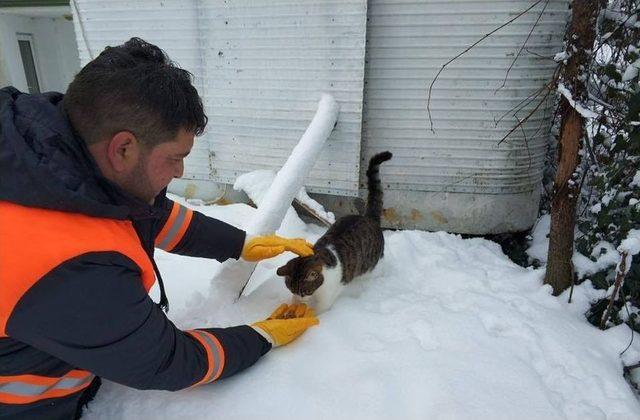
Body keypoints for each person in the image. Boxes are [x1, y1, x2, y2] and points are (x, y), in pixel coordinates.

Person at [0, 38, 319, 419]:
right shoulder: (67, 266)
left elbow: (148, 215)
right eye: (175, 158)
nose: (181, 172)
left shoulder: (45, 155)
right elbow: (168, 361)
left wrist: (240, 244)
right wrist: (262, 336)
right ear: (123, 149)